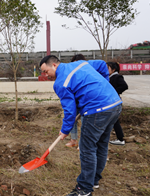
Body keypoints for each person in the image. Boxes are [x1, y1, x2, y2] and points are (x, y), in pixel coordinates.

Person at [40, 55, 122, 196]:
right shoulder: (80, 64)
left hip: (97, 110)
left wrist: (65, 130)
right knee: (101, 144)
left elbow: (70, 111)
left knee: (87, 148)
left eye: (46, 71)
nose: (46, 75)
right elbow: (102, 65)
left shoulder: (60, 83)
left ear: (54, 65)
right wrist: (104, 84)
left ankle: (84, 189)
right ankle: (94, 180)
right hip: (115, 104)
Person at [66, 54, 87, 149]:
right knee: (72, 120)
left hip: (84, 102)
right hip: (75, 102)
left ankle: (83, 143)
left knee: (85, 122)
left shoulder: (87, 72)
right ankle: (73, 140)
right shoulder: (71, 74)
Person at [107, 62, 128, 146]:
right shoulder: (110, 77)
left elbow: (124, 86)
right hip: (111, 102)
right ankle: (120, 138)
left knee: (114, 121)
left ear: (113, 69)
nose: (105, 70)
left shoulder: (117, 77)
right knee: (113, 121)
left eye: (107, 68)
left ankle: (120, 139)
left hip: (115, 102)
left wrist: (113, 92)